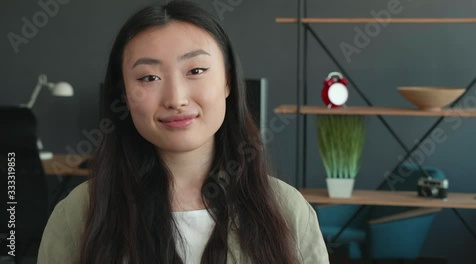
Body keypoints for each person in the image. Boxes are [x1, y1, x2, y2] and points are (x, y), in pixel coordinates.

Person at [37, 1, 329, 263]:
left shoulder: (287, 211)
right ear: (124, 94)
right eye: (149, 77)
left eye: (196, 70)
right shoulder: (78, 215)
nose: (176, 98)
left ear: (228, 81)